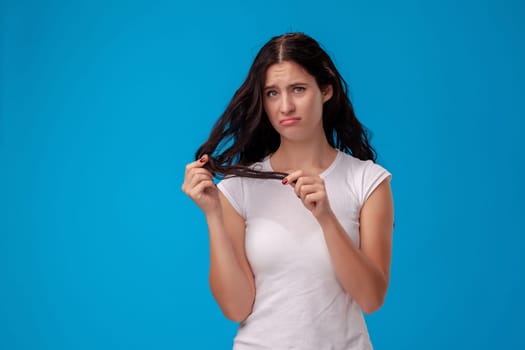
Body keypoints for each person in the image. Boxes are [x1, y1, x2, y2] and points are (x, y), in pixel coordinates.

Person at [182, 32, 394, 349]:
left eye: (298, 89)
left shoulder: (367, 181)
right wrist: (213, 214)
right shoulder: (239, 188)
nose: (285, 106)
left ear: (325, 90)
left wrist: (326, 218)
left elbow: (371, 298)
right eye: (272, 93)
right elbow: (235, 307)